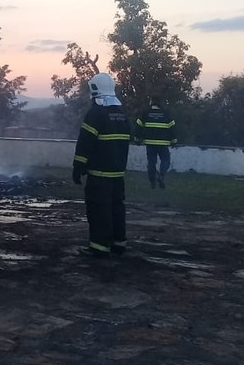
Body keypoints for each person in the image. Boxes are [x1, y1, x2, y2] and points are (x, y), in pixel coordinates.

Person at [72, 73, 131, 258]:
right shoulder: (121, 113)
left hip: (99, 174)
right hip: (117, 174)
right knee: (117, 207)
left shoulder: (96, 113)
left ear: (94, 89)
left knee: (99, 208)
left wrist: (78, 166)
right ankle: (118, 242)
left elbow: (85, 142)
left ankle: (99, 245)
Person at [134, 96, 177, 189]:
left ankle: (152, 182)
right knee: (166, 160)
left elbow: (138, 126)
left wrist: (137, 139)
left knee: (151, 162)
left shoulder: (145, 113)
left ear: (151, 102)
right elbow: (172, 129)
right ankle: (161, 176)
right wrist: (174, 140)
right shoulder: (166, 114)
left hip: (150, 143)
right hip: (163, 143)